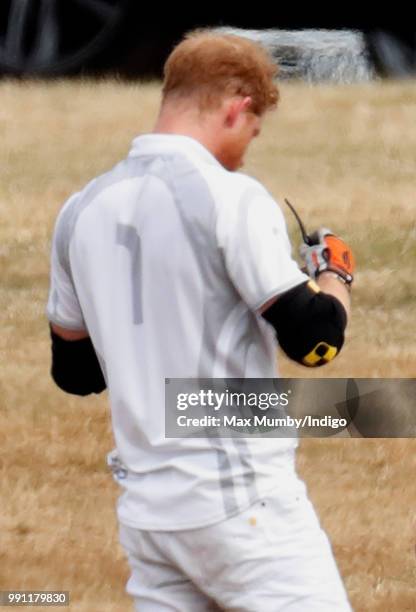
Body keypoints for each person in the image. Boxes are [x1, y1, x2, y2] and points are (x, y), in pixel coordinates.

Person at [47, 30, 355, 611]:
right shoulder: (231, 198)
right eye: (252, 131)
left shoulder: (80, 208)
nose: (245, 150)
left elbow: (76, 372)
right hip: (242, 506)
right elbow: (316, 341)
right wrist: (336, 275)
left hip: (150, 517)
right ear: (238, 107)